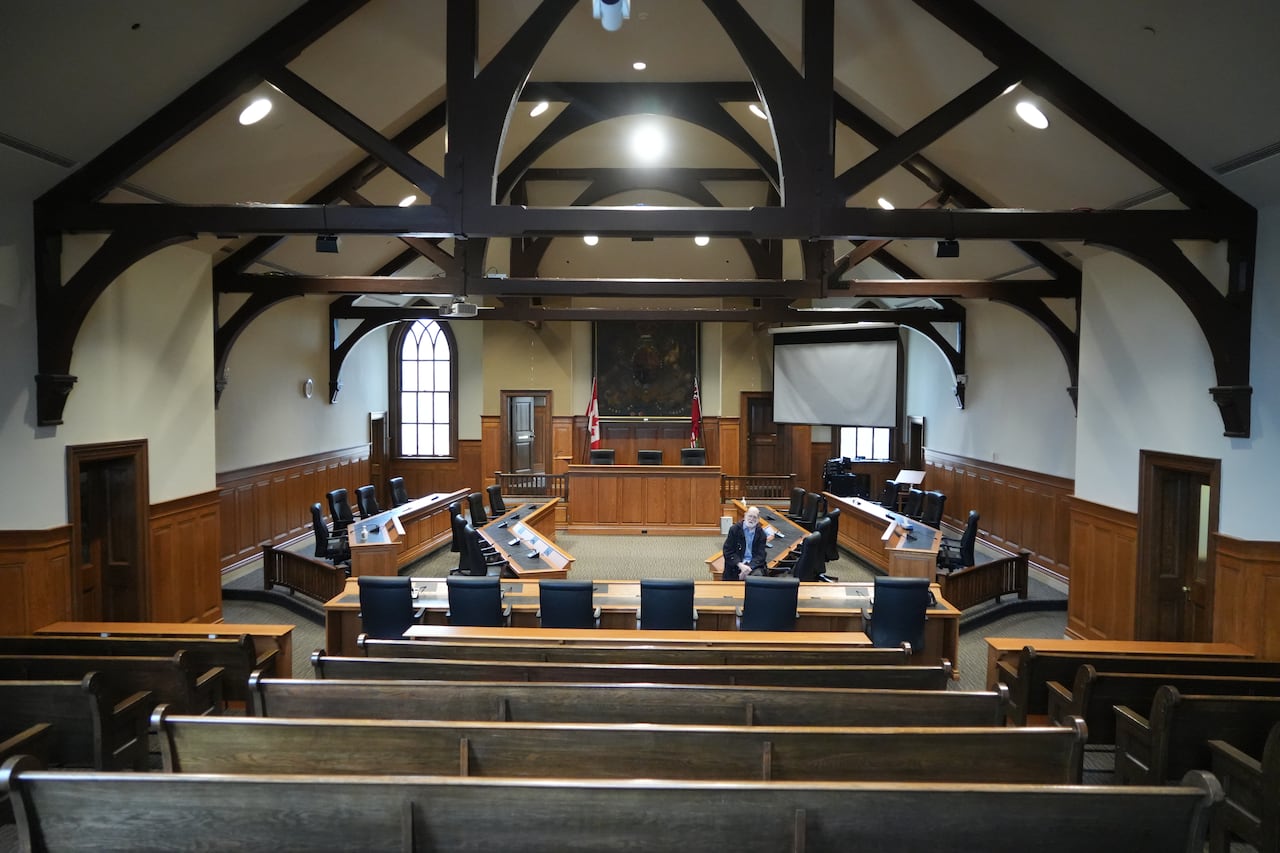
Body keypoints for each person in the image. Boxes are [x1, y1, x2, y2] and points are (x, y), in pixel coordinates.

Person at [722, 505, 771, 580]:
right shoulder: (734, 530)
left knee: (758, 579)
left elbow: (761, 555)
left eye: (754, 517)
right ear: (745, 516)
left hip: (753, 566)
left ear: (758, 519)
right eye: (750, 516)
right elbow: (728, 551)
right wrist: (741, 565)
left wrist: (748, 568)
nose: (751, 519)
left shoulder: (761, 534)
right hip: (737, 564)